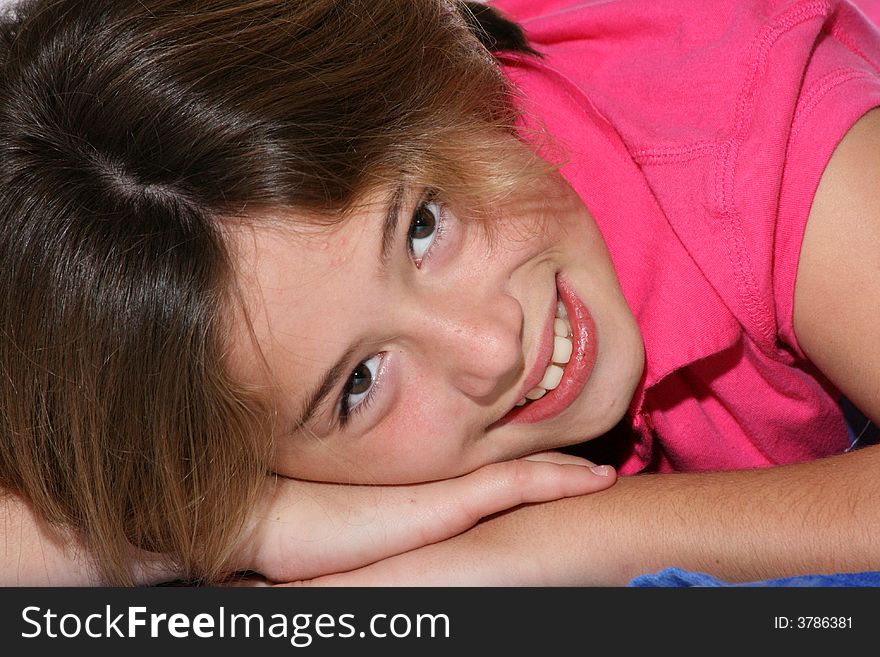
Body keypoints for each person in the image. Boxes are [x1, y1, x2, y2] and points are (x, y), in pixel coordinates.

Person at [1, 0, 879, 586]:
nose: (494, 346)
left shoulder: (745, 131)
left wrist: (558, 542)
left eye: (422, 224)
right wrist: (253, 525)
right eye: (358, 383)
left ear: (455, 77)